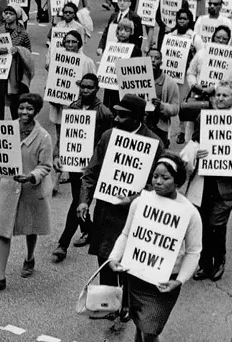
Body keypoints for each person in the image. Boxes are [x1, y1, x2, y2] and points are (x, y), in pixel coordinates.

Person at [77, 94, 166, 319]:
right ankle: (108, 303)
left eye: (122, 116)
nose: (116, 119)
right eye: (115, 113)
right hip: (107, 210)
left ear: (138, 118)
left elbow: (160, 184)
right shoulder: (108, 137)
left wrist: (136, 196)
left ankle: (127, 304)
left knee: (129, 262)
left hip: (135, 213)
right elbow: (92, 172)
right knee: (105, 257)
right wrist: (84, 200)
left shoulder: (154, 144)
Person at [107, 153, 203, 342]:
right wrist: (113, 258)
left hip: (165, 282)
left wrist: (180, 280)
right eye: (155, 176)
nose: (158, 181)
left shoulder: (189, 213)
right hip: (137, 275)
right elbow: (126, 234)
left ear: (177, 182)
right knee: (140, 321)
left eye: (165, 178)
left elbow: (193, 252)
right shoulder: (140, 202)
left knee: (151, 329)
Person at [184, 81, 232, 281]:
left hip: (226, 185)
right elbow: (193, 144)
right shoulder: (203, 118)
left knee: (217, 224)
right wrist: (199, 152)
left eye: (225, 95)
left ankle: (219, 259)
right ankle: (205, 263)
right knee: (202, 224)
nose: (221, 99)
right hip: (203, 182)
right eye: (218, 95)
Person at [0, 93, 53, 294]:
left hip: (31, 189)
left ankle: (30, 258)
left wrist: (31, 176)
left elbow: (45, 165)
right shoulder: (7, 130)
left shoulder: (44, 137)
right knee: (4, 232)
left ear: (36, 111)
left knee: (31, 228)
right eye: (22, 108)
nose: (24, 112)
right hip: (8, 187)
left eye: (29, 109)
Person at [51, 74, 113, 262]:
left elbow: (108, 142)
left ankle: (63, 244)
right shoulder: (73, 107)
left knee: (77, 202)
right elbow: (64, 135)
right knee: (78, 200)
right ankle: (90, 230)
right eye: (83, 87)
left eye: (90, 87)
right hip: (73, 164)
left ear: (97, 89)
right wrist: (57, 154)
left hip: (92, 168)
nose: (85, 90)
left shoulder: (105, 113)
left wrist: (97, 162)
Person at [145, 48, 181, 147]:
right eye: (150, 57)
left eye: (156, 58)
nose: (152, 60)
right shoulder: (138, 77)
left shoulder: (170, 83)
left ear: (161, 62)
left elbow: (175, 108)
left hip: (159, 128)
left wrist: (161, 106)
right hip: (141, 125)